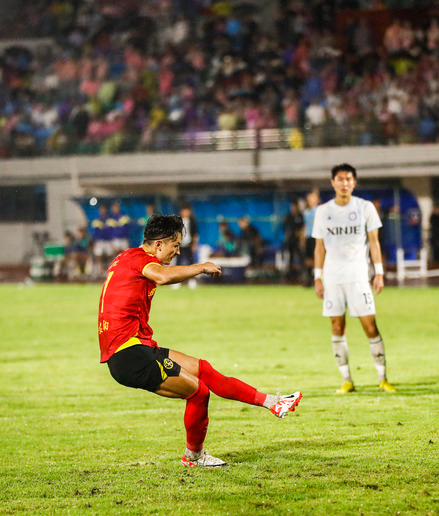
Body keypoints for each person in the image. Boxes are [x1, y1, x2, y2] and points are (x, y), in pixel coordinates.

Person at [98, 214, 301, 467]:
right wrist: (201, 267)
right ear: (159, 244)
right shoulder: (142, 261)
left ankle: (272, 402)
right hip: (128, 354)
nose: (177, 251)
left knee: (203, 370)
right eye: (175, 245)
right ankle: (194, 456)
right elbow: (162, 276)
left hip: (137, 346)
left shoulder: (126, 256)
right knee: (198, 392)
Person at [312, 163, 396, 394]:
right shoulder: (323, 211)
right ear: (333, 182)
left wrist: (379, 273)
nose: (344, 183)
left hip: (359, 277)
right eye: (340, 179)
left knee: (370, 326)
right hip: (332, 279)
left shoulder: (365, 207)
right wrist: (318, 277)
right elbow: (319, 247)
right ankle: (347, 380)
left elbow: (374, 242)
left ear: (354, 182)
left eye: (348, 179)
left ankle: (383, 378)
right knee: (337, 326)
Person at [282, 199, 304, 278]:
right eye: (292, 206)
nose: (293, 208)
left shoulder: (300, 216)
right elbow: (284, 227)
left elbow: (303, 227)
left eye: (295, 206)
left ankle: (303, 271)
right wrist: (287, 234)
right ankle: (289, 271)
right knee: (289, 256)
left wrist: (300, 234)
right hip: (290, 240)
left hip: (298, 240)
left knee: (301, 255)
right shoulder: (288, 216)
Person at [302, 190, 320, 285]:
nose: (311, 201)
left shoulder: (320, 210)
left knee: (317, 258)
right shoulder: (306, 212)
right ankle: (309, 278)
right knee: (308, 259)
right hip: (309, 237)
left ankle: (317, 277)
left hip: (317, 238)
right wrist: (303, 239)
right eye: (309, 199)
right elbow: (305, 226)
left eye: (312, 199)